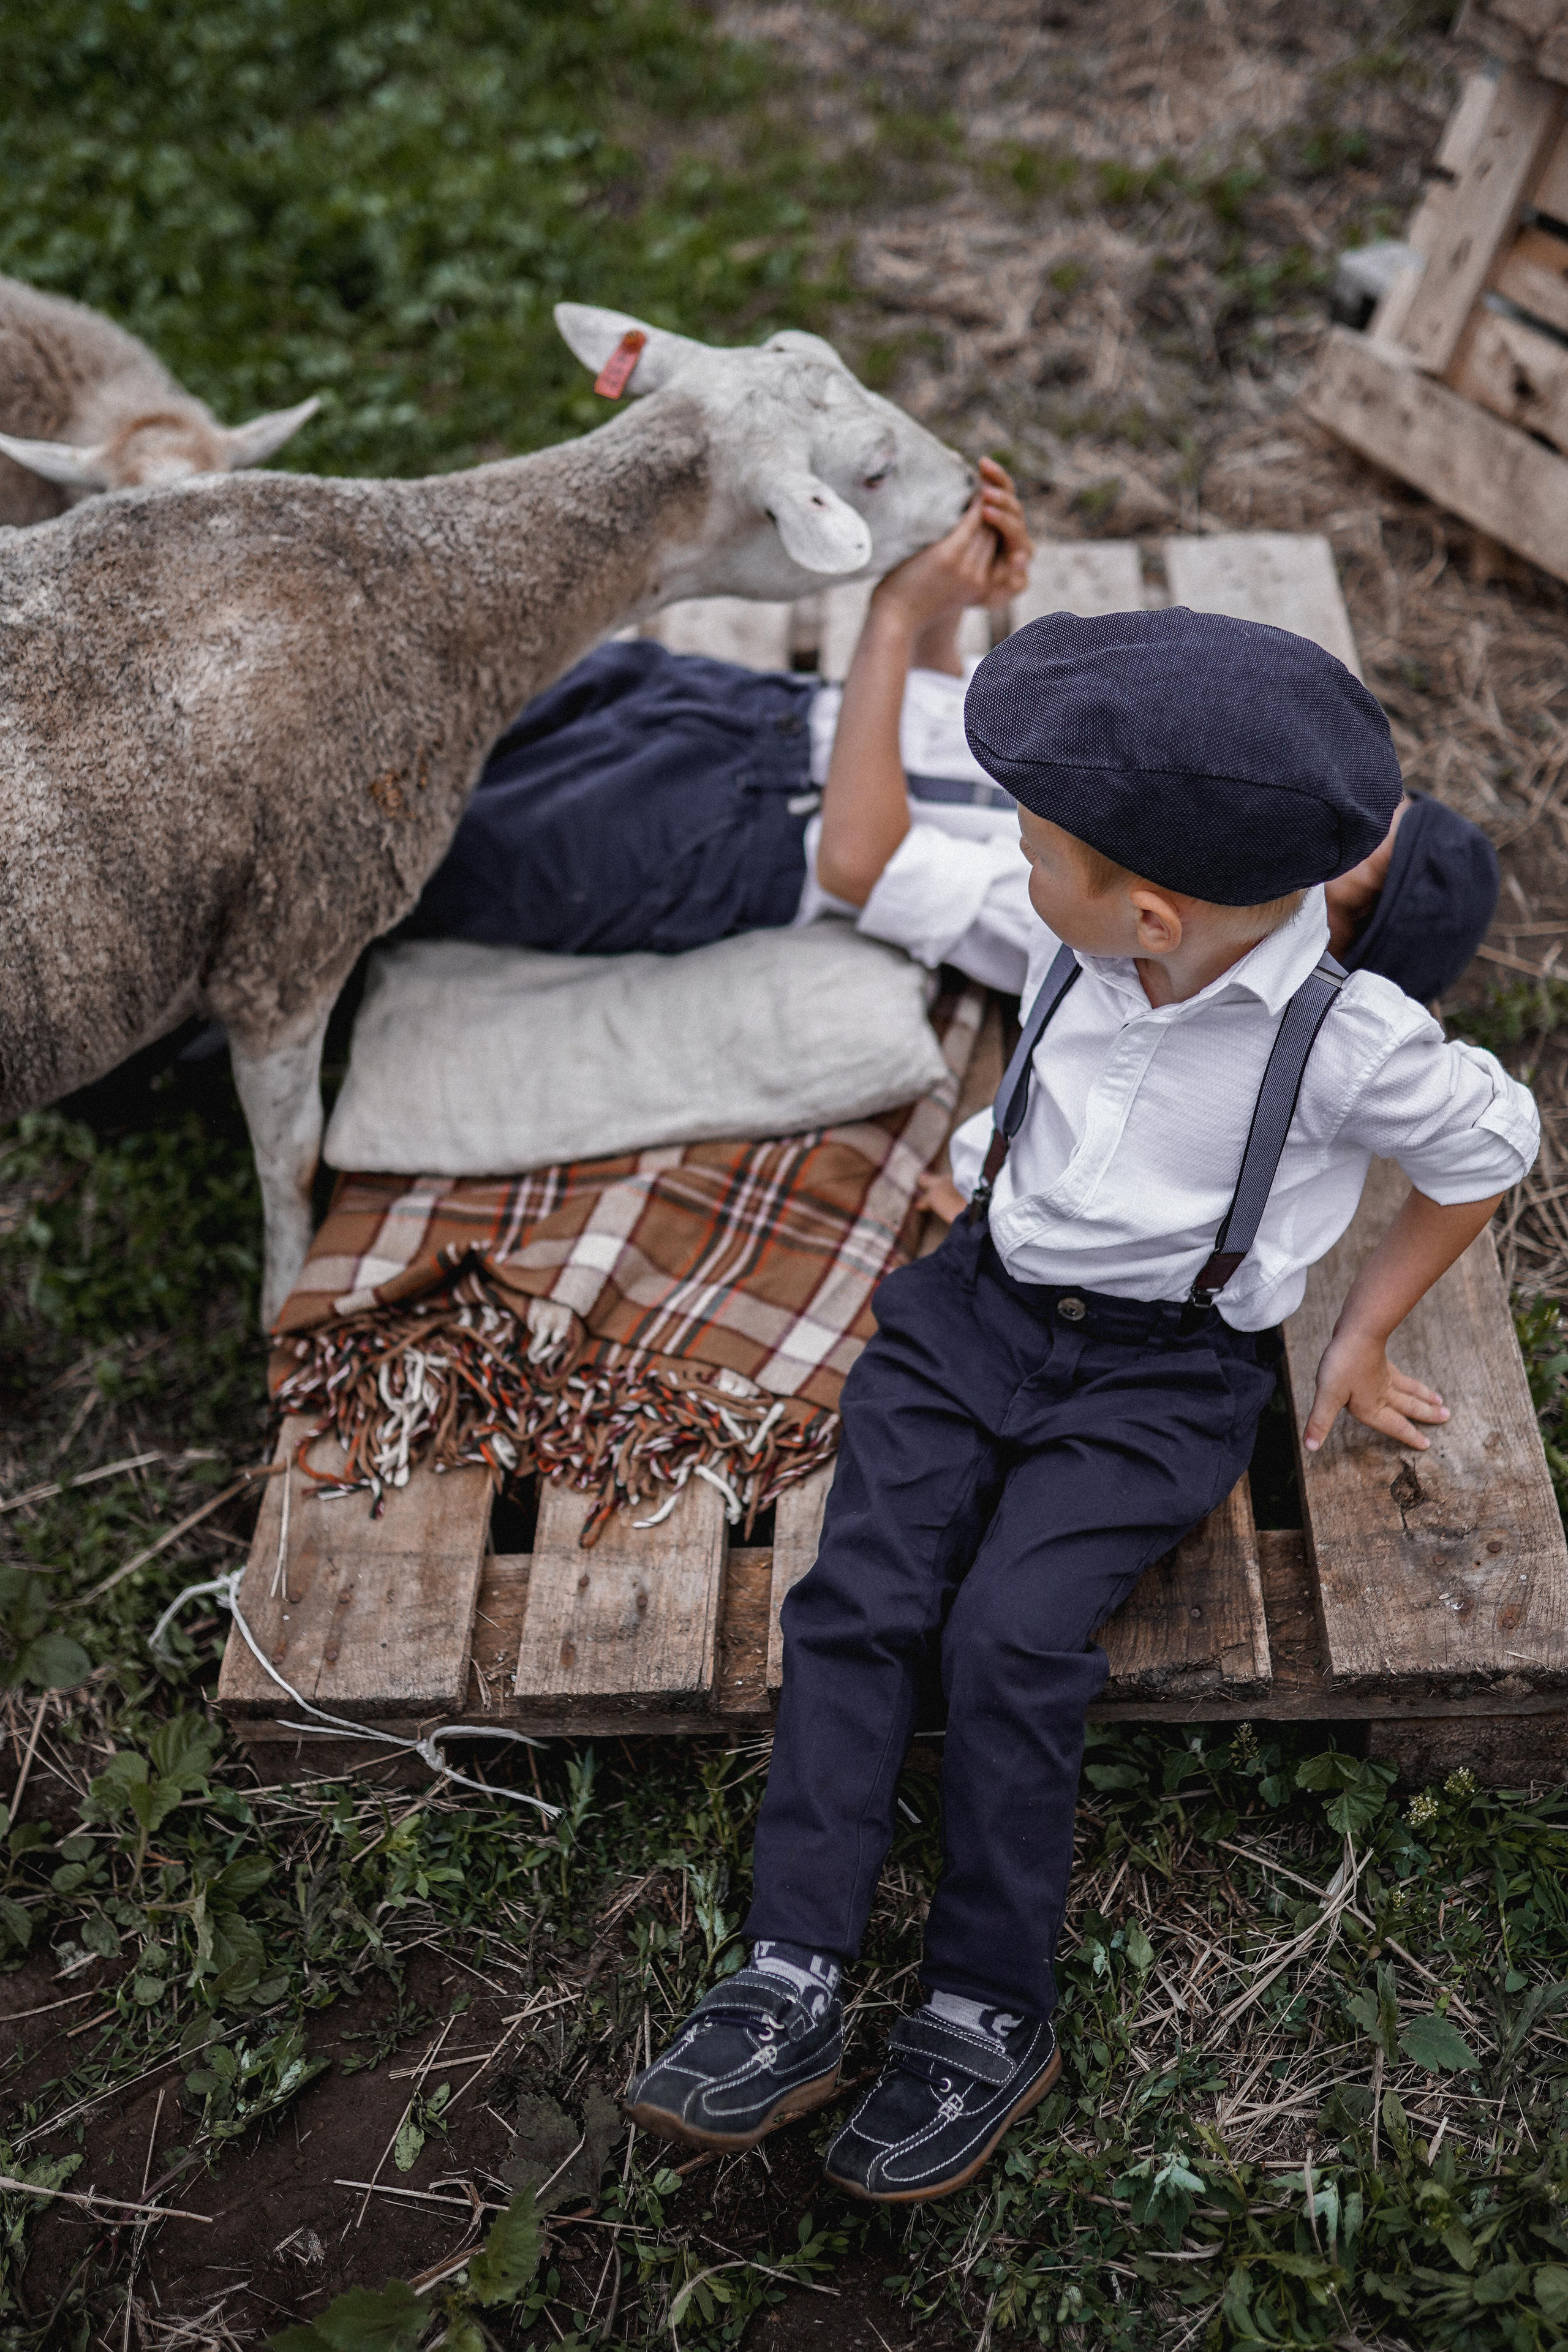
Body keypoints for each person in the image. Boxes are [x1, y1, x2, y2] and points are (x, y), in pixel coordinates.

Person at [620, 604, 1539, 2205]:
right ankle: (792, 1970)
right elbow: (879, 859)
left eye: (1040, 845)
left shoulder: (1348, 1043)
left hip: (1160, 1379)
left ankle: (989, 2004)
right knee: (861, 1600)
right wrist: (915, 615)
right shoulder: (1072, 927)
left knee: (1013, 1639)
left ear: (1153, 913)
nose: (1022, 861)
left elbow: (1490, 1148)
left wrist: (1360, 1334)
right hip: (969, 1314)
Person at [408, 464, 1500, 1008]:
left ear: (1319, 954)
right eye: (1369, 821)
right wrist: (958, 596)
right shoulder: (1186, 795)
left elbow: (860, 856)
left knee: (426, 841)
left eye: (1350, 888)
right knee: (466, 703)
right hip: (746, 714)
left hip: (724, 830)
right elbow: (950, 718)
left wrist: (888, 619)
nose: (1336, 843)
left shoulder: (1107, 929)